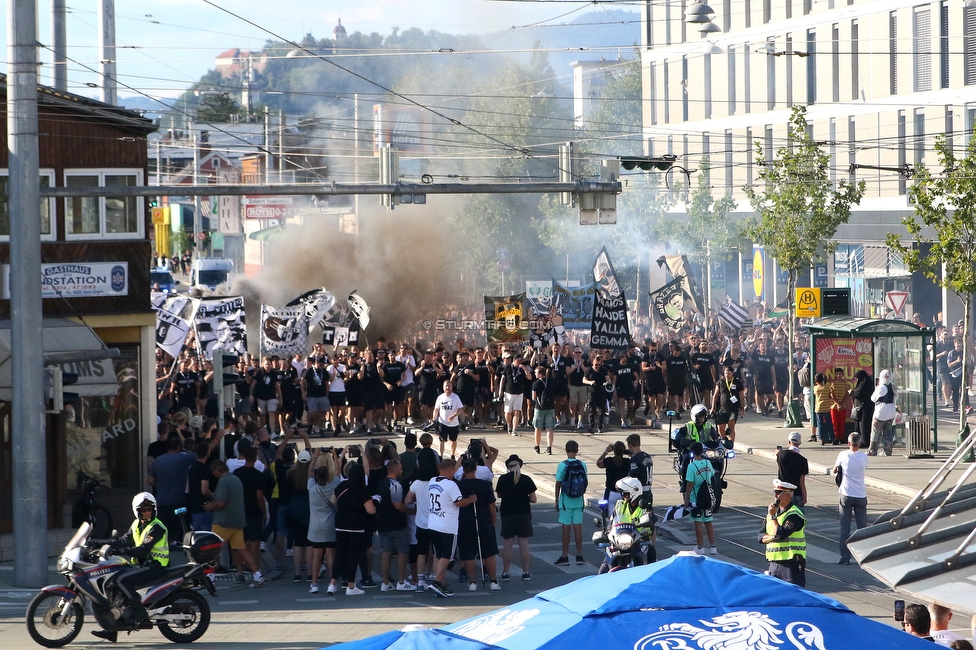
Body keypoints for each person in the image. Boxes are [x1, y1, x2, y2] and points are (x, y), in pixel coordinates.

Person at [89, 493, 170, 642]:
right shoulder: (137, 525)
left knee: (120, 580)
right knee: (111, 583)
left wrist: (118, 551)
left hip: (155, 567)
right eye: (143, 510)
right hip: (142, 565)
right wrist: (98, 543)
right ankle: (112, 628)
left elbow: (143, 550)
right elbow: (122, 541)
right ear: (137, 512)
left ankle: (140, 612)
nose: (147, 513)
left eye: (149, 509)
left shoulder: (156, 527)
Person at [204, 460, 265, 588]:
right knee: (241, 548)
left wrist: (209, 507)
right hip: (238, 521)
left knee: (212, 549)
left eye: (214, 471)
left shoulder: (223, 482)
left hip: (223, 522)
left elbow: (221, 503)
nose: (213, 474)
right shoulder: (236, 479)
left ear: (217, 470)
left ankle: (210, 576)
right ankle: (257, 574)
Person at [427, 458, 478, 597]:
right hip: (447, 526)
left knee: (438, 555)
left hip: (433, 523)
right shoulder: (451, 485)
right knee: (446, 556)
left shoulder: (432, 481)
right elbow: (459, 503)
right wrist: (471, 499)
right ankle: (437, 582)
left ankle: (440, 583)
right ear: (449, 470)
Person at [331, 462, 376, 596]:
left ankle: (332, 584)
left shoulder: (342, 486)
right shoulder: (362, 490)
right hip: (356, 526)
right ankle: (351, 586)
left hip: (340, 524)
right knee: (353, 556)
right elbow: (370, 510)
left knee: (339, 555)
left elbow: (332, 500)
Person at [457, 457, 501, 591]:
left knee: (468, 555)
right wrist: (493, 521)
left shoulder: (458, 485)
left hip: (465, 523)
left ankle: (472, 582)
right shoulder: (484, 485)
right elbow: (492, 505)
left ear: (463, 469)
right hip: (483, 521)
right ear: (476, 468)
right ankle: (493, 581)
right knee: (488, 553)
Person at [598, 476, 655, 574]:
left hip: (638, 542)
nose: (623, 496)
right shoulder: (620, 504)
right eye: (622, 494)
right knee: (603, 569)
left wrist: (651, 519)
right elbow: (613, 520)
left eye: (625, 494)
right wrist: (606, 532)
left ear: (634, 492)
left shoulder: (644, 507)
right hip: (619, 541)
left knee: (651, 554)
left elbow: (650, 523)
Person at [494, 454, 536, 582]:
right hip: (523, 514)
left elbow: (499, 495)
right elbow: (533, 499)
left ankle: (506, 572)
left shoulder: (503, 479)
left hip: (508, 514)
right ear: (520, 465)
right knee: (523, 545)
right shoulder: (526, 479)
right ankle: (526, 572)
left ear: (508, 466)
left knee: (507, 545)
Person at [375, 459, 414, 592]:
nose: (402, 471)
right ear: (396, 470)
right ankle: (401, 581)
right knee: (402, 552)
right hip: (397, 523)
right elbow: (398, 505)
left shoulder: (381, 483)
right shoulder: (395, 485)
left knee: (386, 553)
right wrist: (413, 510)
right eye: (401, 468)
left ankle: (385, 582)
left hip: (383, 523)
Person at [759, 479, 806, 587]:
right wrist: (773, 536)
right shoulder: (773, 513)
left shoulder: (794, 514)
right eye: (775, 493)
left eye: (779, 493)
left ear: (788, 496)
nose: (775, 496)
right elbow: (760, 537)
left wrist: (773, 517)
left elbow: (780, 534)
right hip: (774, 563)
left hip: (791, 564)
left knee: (792, 598)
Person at [833, 430, 869, 565]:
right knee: (862, 528)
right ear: (859, 443)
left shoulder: (843, 455)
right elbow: (865, 466)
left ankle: (845, 558)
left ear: (848, 443)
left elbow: (835, 469)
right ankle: (863, 557)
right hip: (861, 496)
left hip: (846, 495)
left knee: (845, 528)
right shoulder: (864, 457)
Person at [307, 455, 340, 595]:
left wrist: (315, 455)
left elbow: (309, 473)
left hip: (315, 526)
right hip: (330, 525)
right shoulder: (334, 487)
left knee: (317, 556)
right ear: (328, 476)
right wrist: (336, 454)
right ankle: (332, 584)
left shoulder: (312, 488)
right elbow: (338, 473)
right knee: (331, 556)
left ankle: (314, 584)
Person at [553, 440, 587, 567]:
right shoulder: (582, 464)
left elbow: (558, 483)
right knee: (578, 528)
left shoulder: (562, 465)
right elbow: (585, 482)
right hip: (579, 500)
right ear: (577, 450)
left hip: (566, 501)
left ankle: (565, 555)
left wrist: (556, 500)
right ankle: (579, 555)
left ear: (566, 450)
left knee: (566, 528)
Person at [672, 405, 716, 493]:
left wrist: (720, 440)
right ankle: (684, 483)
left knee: (716, 458)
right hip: (690, 450)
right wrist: (682, 439)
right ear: (694, 416)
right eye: (700, 416)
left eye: (703, 416)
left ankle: (717, 479)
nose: (702, 418)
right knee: (686, 461)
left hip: (705, 451)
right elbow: (677, 434)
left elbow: (715, 435)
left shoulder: (708, 425)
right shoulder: (688, 426)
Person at [683, 441, 717, 555]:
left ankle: (700, 547)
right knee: (708, 521)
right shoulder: (708, 463)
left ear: (692, 452)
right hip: (707, 497)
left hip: (695, 498)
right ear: (702, 451)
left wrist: (686, 498)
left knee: (698, 523)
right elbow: (712, 474)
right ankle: (713, 546)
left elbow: (690, 483)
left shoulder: (691, 466)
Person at [776, 431, 809, 508]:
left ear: (789, 442)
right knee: (796, 518)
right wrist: (804, 498)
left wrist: (778, 452)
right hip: (796, 494)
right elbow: (802, 482)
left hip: (782, 493)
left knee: (782, 517)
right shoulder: (803, 460)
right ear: (800, 443)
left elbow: (779, 465)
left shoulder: (781, 455)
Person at [869, 369, 897, 456]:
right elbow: (896, 396)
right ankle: (888, 450)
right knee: (888, 431)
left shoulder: (881, 387)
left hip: (880, 412)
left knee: (875, 431)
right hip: (891, 412)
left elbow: (872, 398)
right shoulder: (893, 386)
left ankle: (872, 450)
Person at [433, 380, 463, 458]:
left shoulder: (455, 397)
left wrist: (454, 416)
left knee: (453, 440)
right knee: (442, 440)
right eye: (446, 386)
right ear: (443, 387)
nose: (447, 388)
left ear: (452, 387)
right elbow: (436, 409)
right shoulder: (440, 397)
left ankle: (452, 454)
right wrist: (434, 419)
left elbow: (460, 409)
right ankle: (441, 456)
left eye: (449, 386)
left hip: (454, 423)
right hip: (442, 422)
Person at [596, 441, 630, 510]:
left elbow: (598, 463)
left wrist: (606, 451)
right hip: (623, 493)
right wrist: (627, 452)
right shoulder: (627, 462)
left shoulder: (609, 461)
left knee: (610, 517)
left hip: (611, 492)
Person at [711, 365, 742, 442]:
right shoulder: (721, 382)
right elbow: (715, 395)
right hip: (722, 409)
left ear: (732, 373)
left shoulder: (737, 383)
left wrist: (742, 409)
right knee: (720, 429)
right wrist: (712, 407)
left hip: (733, 409)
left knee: (731, 427)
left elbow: (741, 397)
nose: (727, 375)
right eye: (725, 373)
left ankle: (731, 444)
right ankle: (725, 441)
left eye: (729, 373)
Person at [532, 365, 556, 455]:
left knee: (538, 428)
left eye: (536, 372)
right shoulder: (552, 381)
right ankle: (549, 448)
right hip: (550, 407)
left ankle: (537, 447)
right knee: (549, 428)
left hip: (539, 407)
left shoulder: (536, 383)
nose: (535, 374)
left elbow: (534, 397)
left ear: (540, 374)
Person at [850, 369, 875, 449]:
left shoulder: (865, 384)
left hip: (865, 408)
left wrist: (852, 392)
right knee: (860, 425)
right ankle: (860, 441)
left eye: (857, 378)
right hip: (861, 408)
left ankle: (865, 441)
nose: (857, 380)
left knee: (864, 425)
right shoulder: (865, 383)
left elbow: (859, 394)